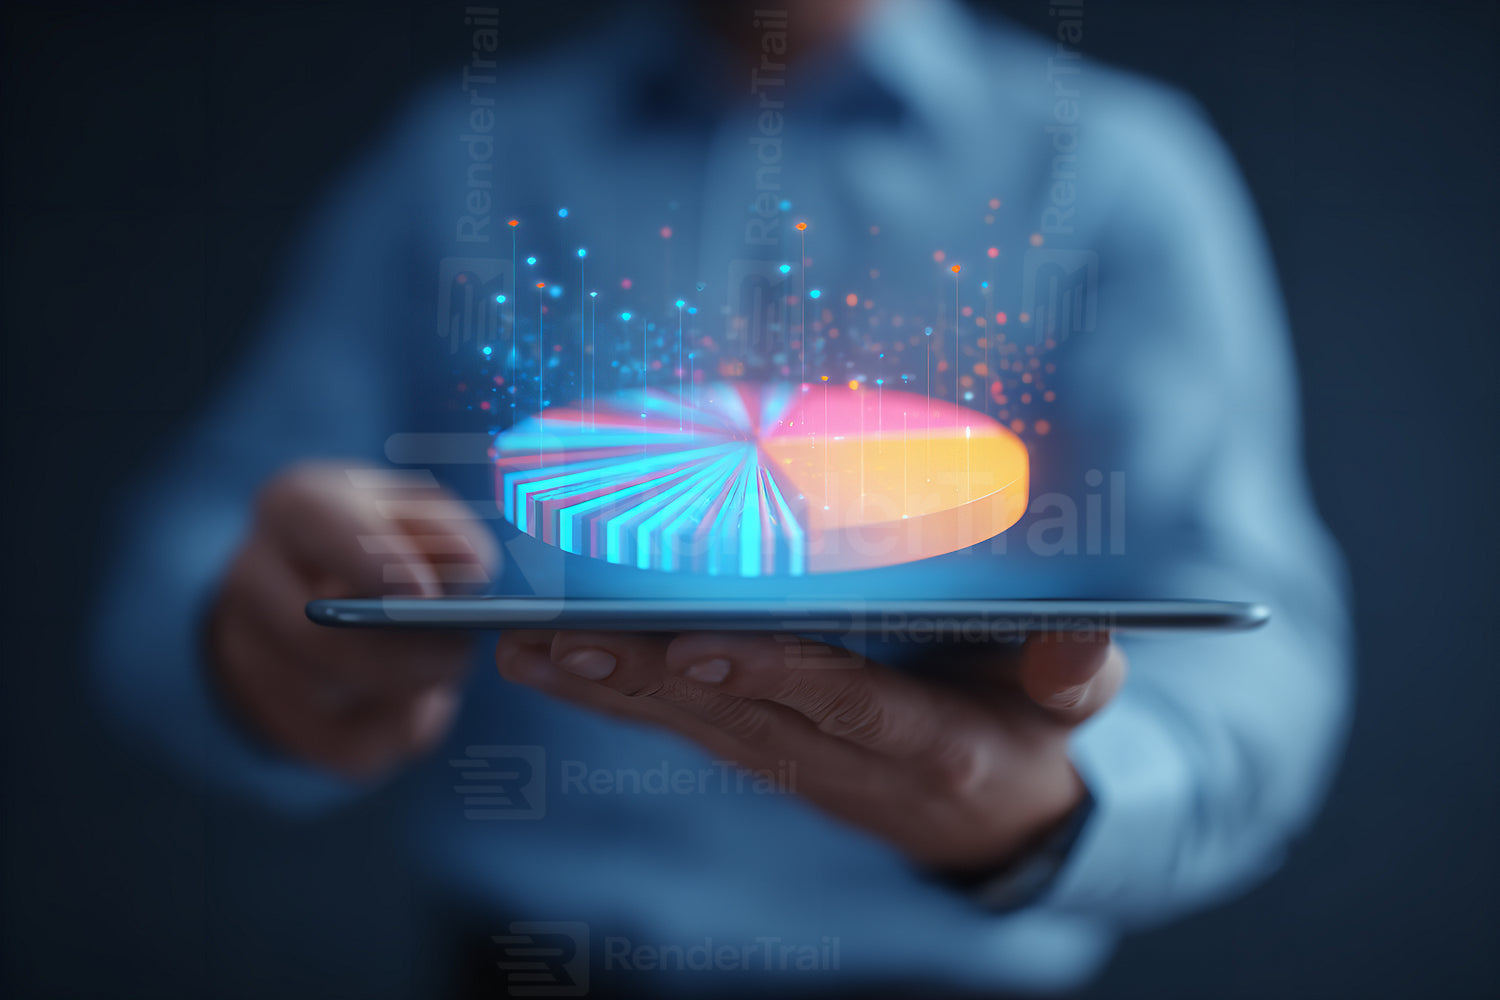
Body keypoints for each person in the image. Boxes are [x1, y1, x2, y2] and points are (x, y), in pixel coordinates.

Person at [92, 0, 1350, 995]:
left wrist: (1051, 812)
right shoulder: (460, 165)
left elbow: (1258, 639)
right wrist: (266, 653)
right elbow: (186, 566)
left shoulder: (1120, 173)